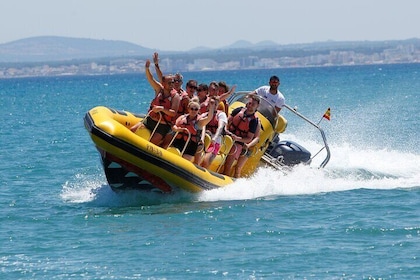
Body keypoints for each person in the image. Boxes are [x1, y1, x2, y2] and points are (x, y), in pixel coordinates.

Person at [130, 59, 180, 146]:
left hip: (162, 126)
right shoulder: (159, 90)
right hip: (150, 120)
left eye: (173, 82)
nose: (172, 84)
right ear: (163, 83)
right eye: (169, 83)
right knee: (132, 130)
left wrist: (162, 109)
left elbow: (173, 113)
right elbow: (151, 79)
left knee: (150, 144)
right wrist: (147, 69)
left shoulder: (175, 96)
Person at [222, 94, 260, 177]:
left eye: (253, 104)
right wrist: (225, 129)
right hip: (228, 136)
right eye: (249, 103)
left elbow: (249, 138)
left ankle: (226, 176)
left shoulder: (254, 121)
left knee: (231, 164)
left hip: (239, 142)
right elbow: (227, 121)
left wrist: (237, 139)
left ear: (257, 106)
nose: (250, 106)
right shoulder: (239, 110)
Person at [171, 97, 215, 162]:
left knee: (185, 159)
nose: (193, 111)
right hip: (179, 141)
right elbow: (174, 126)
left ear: (198, 110)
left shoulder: (199, 122)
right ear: (188, 109)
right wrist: (177, 129)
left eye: (196, 109)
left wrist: (211, 107)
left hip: (190, 146)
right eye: (192, 109)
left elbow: (209, 118)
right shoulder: (182, 117)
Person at [200, 96, 228, 169]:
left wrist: (215, 137)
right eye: (211, 103)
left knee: (206, 160)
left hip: (214, 142)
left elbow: (220, 127)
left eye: (215, 104)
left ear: (217, 105)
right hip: (203, 139)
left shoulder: (221, 115)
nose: (212, 105)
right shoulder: (204, 115)